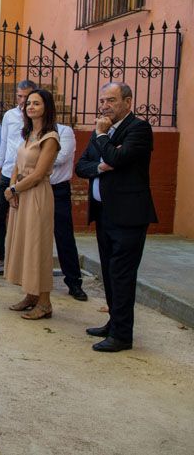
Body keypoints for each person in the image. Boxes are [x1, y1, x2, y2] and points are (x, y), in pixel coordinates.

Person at [75, 81, 157, 352]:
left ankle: (123, 336)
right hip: (105, 214)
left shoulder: (139, 129)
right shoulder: (105, 131)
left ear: (128, 102)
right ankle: (115, 322)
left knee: (122, 274)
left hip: (129, 216)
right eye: (102, 101)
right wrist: (101, 164)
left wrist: (102, 139)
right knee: (110, 273)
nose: (104, 106)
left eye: (110, 100)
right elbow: (82, 167)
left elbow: (119, 160)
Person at [4, 89, 60, 319]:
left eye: (36, 103)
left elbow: (38, 174)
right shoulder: (28, 134)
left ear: (46, 106)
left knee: (38, 247)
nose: (31, 107)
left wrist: (15, 188)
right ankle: (31, 295)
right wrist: (12, 187)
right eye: (28, 103)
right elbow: (18, 164)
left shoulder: (50, 138)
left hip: (36, 195)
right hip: (21, 194)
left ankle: (45, 302)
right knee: (24, 244)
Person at [0, 80, 36, 273]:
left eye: (27, 97)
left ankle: (23, 260)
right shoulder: (10, 115)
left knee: (25, 219)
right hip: (8, 172)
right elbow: (3, 142)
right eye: (20, 96)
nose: (23, 101)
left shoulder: (37, 115)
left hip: (27, 175)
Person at [51, 123, 88, 301]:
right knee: (33, 236)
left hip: (57, 190)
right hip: (34, 187)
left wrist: (34, 156)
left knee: (64, 237)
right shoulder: (29, 131)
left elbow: (60, 158)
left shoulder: (64, 131)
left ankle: (74, 282)